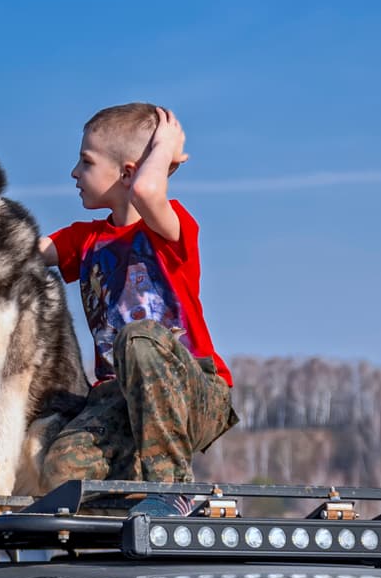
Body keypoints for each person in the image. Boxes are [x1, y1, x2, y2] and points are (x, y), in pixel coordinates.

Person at [37, 103, 238, 511]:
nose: (74, 173)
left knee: (140, 336)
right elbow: (18, 250)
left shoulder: (170, 226)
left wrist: (165, 146)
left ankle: (173, 488)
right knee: (60, 472)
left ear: (127, 172)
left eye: (86, 162)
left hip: (191, 392)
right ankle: (135, 492)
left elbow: (148, 193)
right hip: (121, 400)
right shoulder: (85, 239)